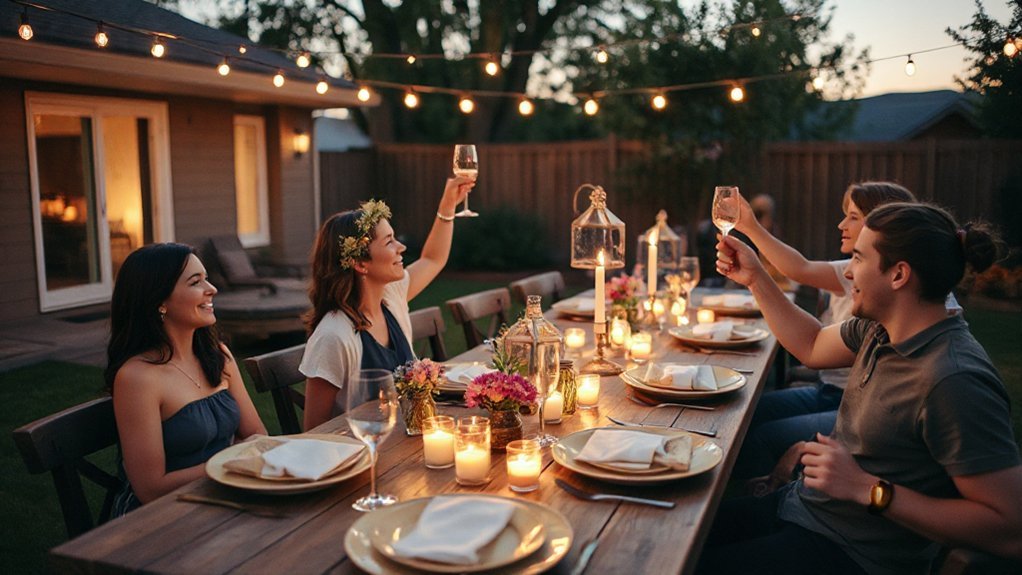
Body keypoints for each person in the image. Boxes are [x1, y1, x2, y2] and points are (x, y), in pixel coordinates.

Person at [700, 203, 1022, 574]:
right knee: (672, 538)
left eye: (858, 258)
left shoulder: (953, 380)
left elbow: (1008, 529)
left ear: (898, 274)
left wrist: (868, 489)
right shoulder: (880, 328)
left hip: (850, 554)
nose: (848, 271)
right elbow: (812, 344)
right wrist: (756, 277)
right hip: (804, 510)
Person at [731, 182, 917, 482]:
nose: (841, 224)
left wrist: (752, 232)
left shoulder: (903, 307)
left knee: (759, 432)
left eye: (853, 217)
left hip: (853, 406)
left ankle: (771, 495)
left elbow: (800, 272)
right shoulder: (864, 277)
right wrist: (753, 262)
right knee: (747, 411)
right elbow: (814, 342)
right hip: (835, 391)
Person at [300, 177, 474, 430]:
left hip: (408, 437)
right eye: (389, 241)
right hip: (366, 449)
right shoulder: (333, 336)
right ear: (361, 264)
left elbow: (433, 259)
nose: (401, 247)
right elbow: (314, 431)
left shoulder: (390, 297)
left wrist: (448, 205)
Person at [106, 243, 266, 515]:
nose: (211, 289)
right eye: (195, 282)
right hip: (162, 516)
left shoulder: (217, 356)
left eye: (206, 278)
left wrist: (238, 459)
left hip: (224, 496)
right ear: (160, 302)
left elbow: (257, 436)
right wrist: (229, 462)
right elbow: (150, 489)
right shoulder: (137, 378)